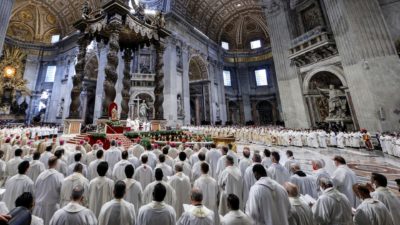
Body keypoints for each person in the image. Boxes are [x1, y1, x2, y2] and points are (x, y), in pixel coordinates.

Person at [34, 156, 65, 225]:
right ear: (56, 164)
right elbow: (62, 191)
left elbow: (36, 189)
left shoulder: (41, 175)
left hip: (39, 207)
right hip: (52, 208)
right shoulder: (59, 176)